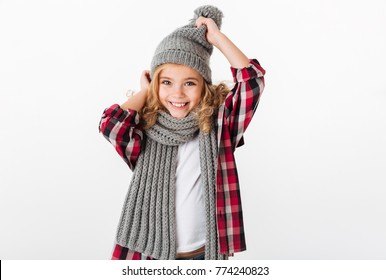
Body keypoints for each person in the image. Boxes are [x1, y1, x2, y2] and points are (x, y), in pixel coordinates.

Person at [98, 5, 266, 260]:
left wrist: (217, 38)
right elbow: (110, 124)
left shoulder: (219, 126)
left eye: (189, 83)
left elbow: (251, 83)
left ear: (203, 87)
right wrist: (146, 90)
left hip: (204, 253)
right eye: (166, 82)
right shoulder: (145, 130)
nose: (177, 94)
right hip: (149, 253)